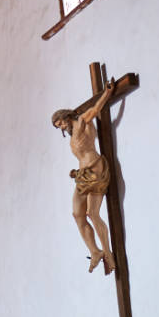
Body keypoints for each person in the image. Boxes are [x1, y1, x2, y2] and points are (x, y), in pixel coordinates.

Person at [52, 77, 121, 273]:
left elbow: (94, 111)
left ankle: (108, 252)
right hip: (82, 173)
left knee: (92, 213)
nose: (62, 127)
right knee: (77, 214)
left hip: (96, 169)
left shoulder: (82, 122)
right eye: (59, 127)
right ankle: (95, 251)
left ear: (66, 116)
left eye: (61, 123)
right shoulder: (72, 135)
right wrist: (76, 171)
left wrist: (106, 93)